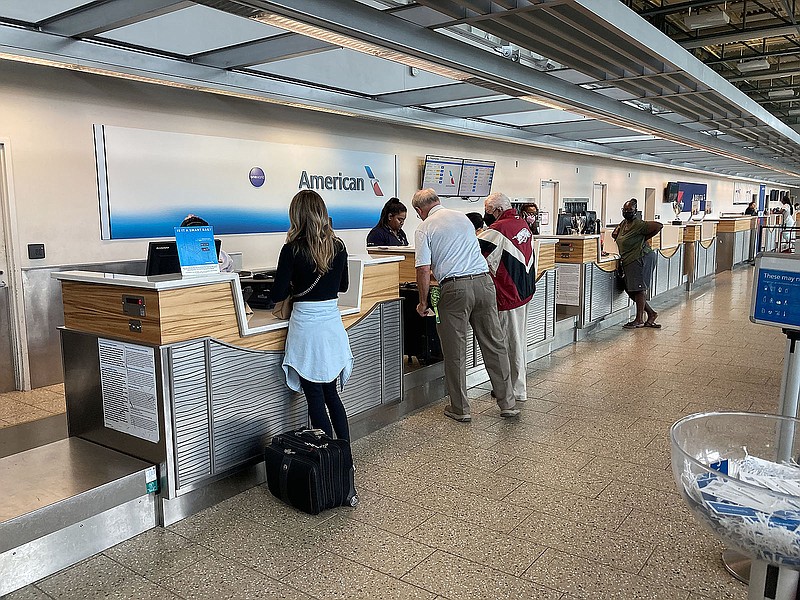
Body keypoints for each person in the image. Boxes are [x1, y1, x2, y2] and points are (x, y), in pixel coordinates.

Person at [412, 188, 520, 422]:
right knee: (495, 345)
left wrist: (423, 302)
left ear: (420, 210)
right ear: (438, 201)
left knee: (455, 351)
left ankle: (460, 409)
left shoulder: (424, 227)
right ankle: (508, 404)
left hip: (454, 289)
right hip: (484, 284)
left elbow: (423, 269)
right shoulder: (462, 217)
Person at [270, 190, 353, 440]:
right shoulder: (337, 246)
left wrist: (295, 285)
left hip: (306, 329)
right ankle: (344, 457)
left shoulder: (292, 249)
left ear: (296, 215)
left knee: (314, 396)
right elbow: (343, 285)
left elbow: (277, 293)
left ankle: (327, 457)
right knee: (331, 395)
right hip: (331, 326)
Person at [479, 192, 537, 406]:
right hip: (524, 291)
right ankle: (515, 386)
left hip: (508, 293)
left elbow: (474, 252)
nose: (487, 216)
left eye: (488, 212)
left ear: (497, 210)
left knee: (510, 343)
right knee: (518, 340)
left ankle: (515, 390)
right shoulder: (521, 223)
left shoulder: (497, 229)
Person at [612, 199, 663, 329]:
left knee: (639, 289)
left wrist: (644, 238)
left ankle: (639, 319)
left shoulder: (639, 224)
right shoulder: (624, 223)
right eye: (625, 210)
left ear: (635, 211)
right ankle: (651, 314)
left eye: (629, 210)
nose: (626, 212)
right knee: (630, 289)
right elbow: (615, 234)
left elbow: (658, 226)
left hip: (640, 257)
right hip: (629, 259)